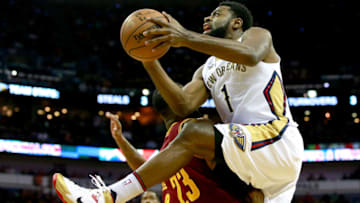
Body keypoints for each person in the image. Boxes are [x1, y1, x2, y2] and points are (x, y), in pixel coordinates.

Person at [53, 1, 303, 203]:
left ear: (237, 22)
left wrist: (185, 37)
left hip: (277, 139)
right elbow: (182, 104)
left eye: (216, 14)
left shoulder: (256, 35)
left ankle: (107, 197)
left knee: (192, 132)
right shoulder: (206, 70)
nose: (207, 19)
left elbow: (250, 55)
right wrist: (149, 59)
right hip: (252, 160)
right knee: (192, 138)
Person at [53, 89, 264, 203]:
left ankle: (106, 197)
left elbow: (144, 173)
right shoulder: (193, 130)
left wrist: (120, 140)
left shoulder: (173, 145)